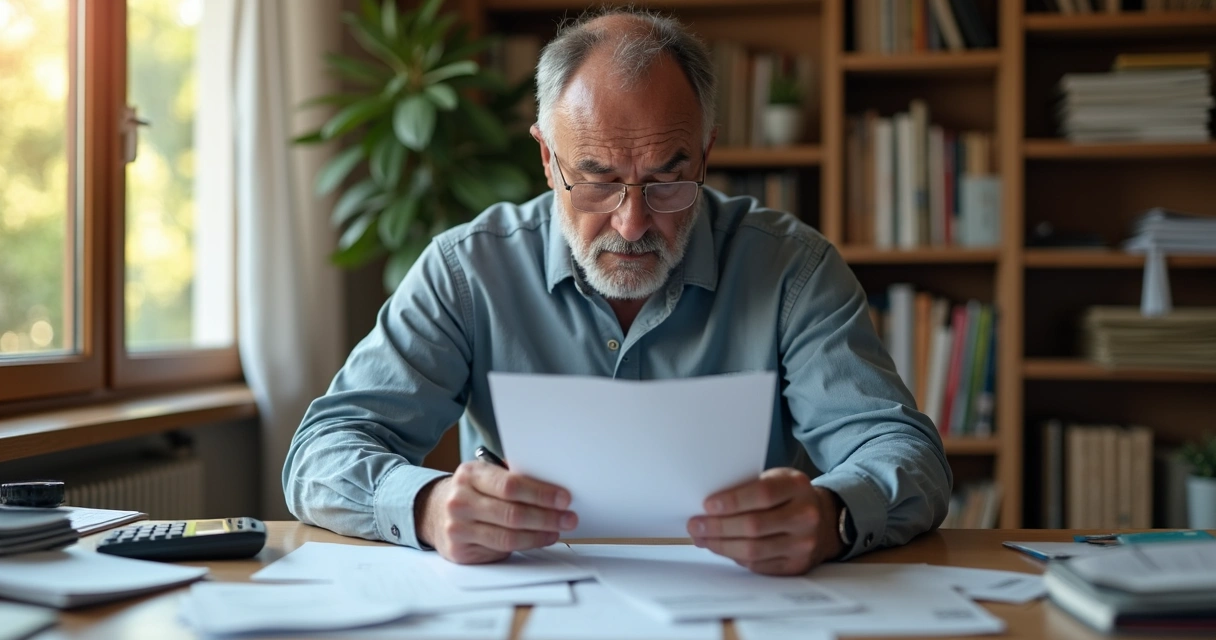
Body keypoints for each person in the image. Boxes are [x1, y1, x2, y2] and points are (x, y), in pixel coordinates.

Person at [284, 8, 951, 576]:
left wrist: (833, 514)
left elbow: (906, 457)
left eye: (668, 179)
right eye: (597, 180)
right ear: (547, 158)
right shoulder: (467, 271)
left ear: (706, 154)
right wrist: (426, 506)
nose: (632, 223)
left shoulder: (792, 271)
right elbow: (322, 453)